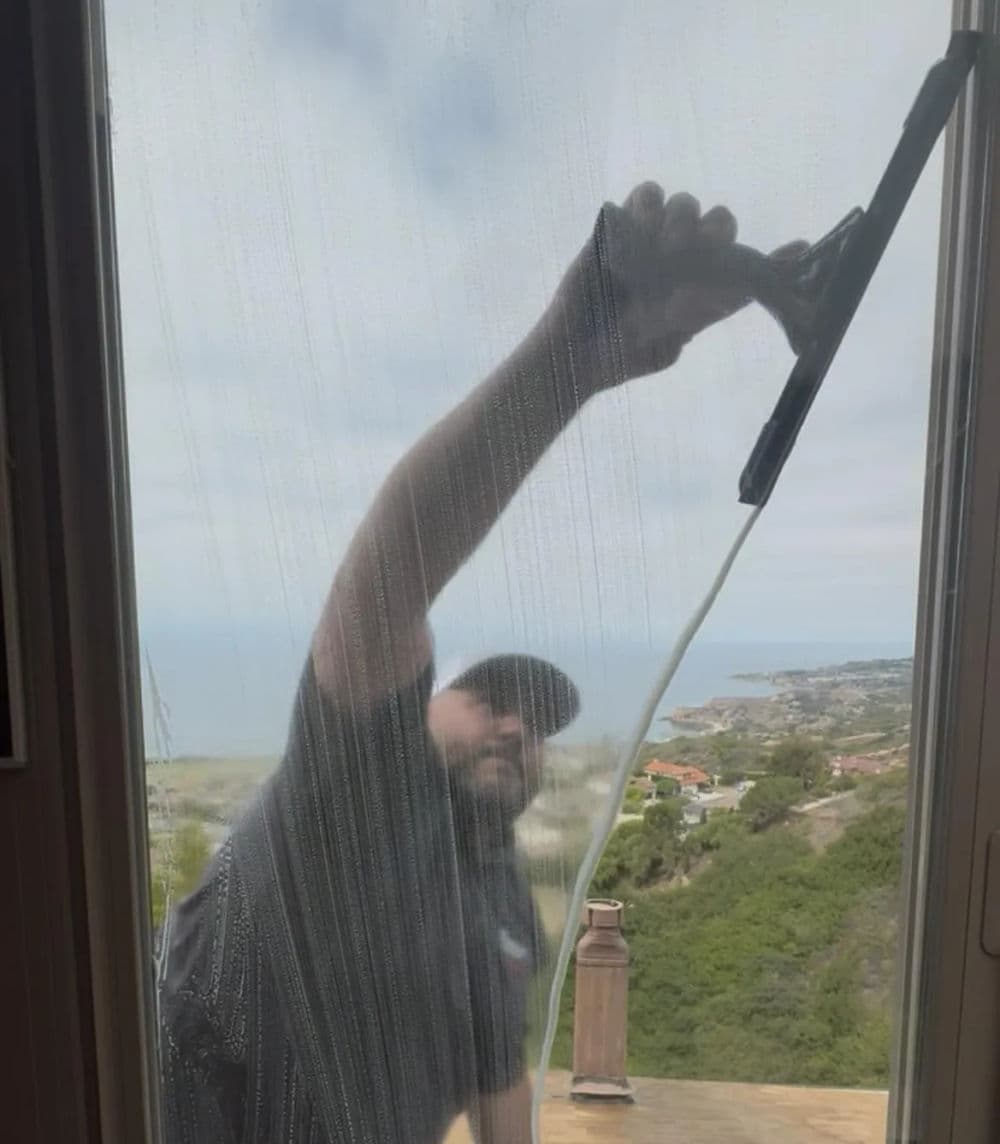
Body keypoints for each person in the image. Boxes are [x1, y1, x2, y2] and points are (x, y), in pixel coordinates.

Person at [157, 182, 806, 1143]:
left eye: (537, 722)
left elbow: (499, 1084)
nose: (518, 727)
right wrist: (571, 357)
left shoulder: (499, 898)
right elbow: (385, 583)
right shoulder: (344, 809)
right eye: (489, 698)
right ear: (415, 704)